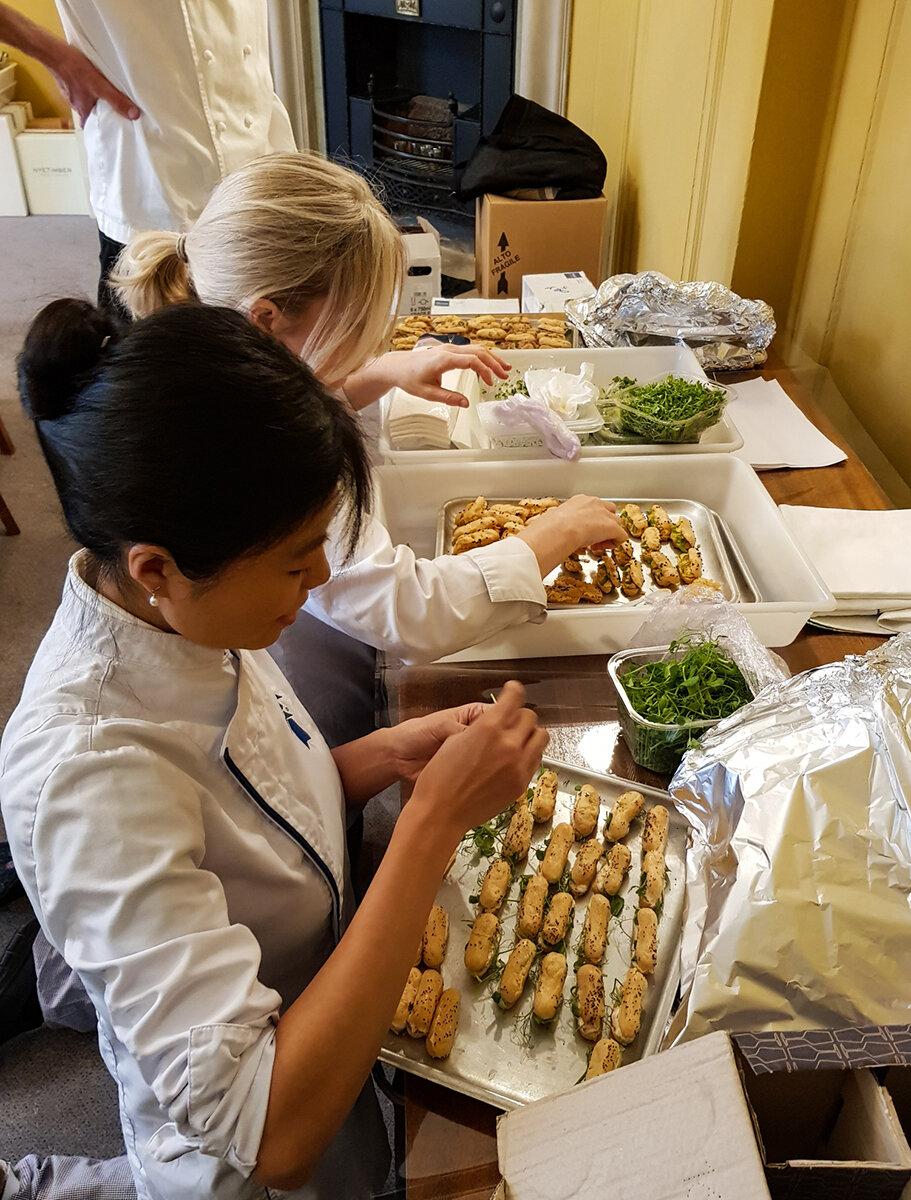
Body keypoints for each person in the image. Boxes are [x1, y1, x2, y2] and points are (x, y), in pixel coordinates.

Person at [0, 298, 549, 1199]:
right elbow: (271, 1134)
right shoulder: (86, 776)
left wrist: (380, 755)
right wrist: (436, 823)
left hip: (333, 1009)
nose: (323, 580)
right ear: (157, 568)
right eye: (297, 562)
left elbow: (247, 815)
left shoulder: (192, 621)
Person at [112, 151, 627, 734]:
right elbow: (405, 610)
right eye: (360, 321)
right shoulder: (264, 450)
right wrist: (547, 538)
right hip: (296, 689)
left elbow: (313, 384)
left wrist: (380, 373)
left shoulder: (232, 366)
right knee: (334, 788)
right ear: (266, 319)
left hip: (310, 644)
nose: (379, 336)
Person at [0, 1, 296, 307]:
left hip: (256, 145)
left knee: (275, 333)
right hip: (145, 162)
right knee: (146, 347)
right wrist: (56, 58)